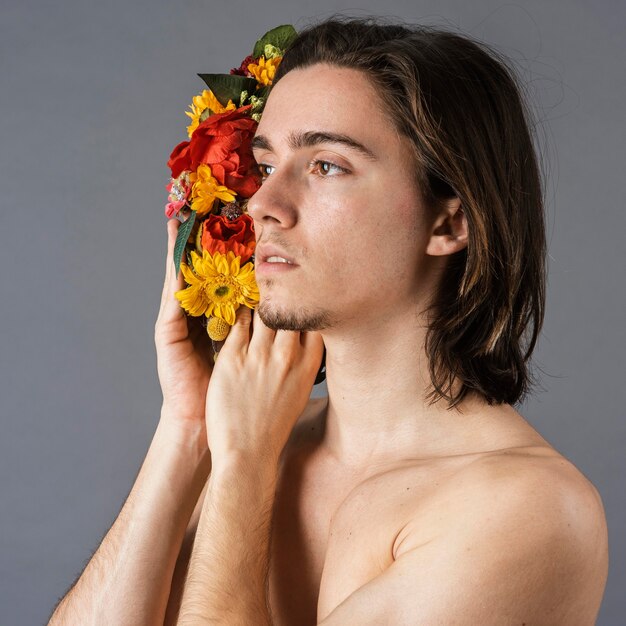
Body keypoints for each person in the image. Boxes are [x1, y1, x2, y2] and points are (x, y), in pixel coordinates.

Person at [48, 16, 609, 626]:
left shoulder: (525, 511)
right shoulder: (245, 430)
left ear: (449, 222)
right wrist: (187, 429)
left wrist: (244, 468)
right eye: (266, 166)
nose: (262, 204)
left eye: (326, 166)